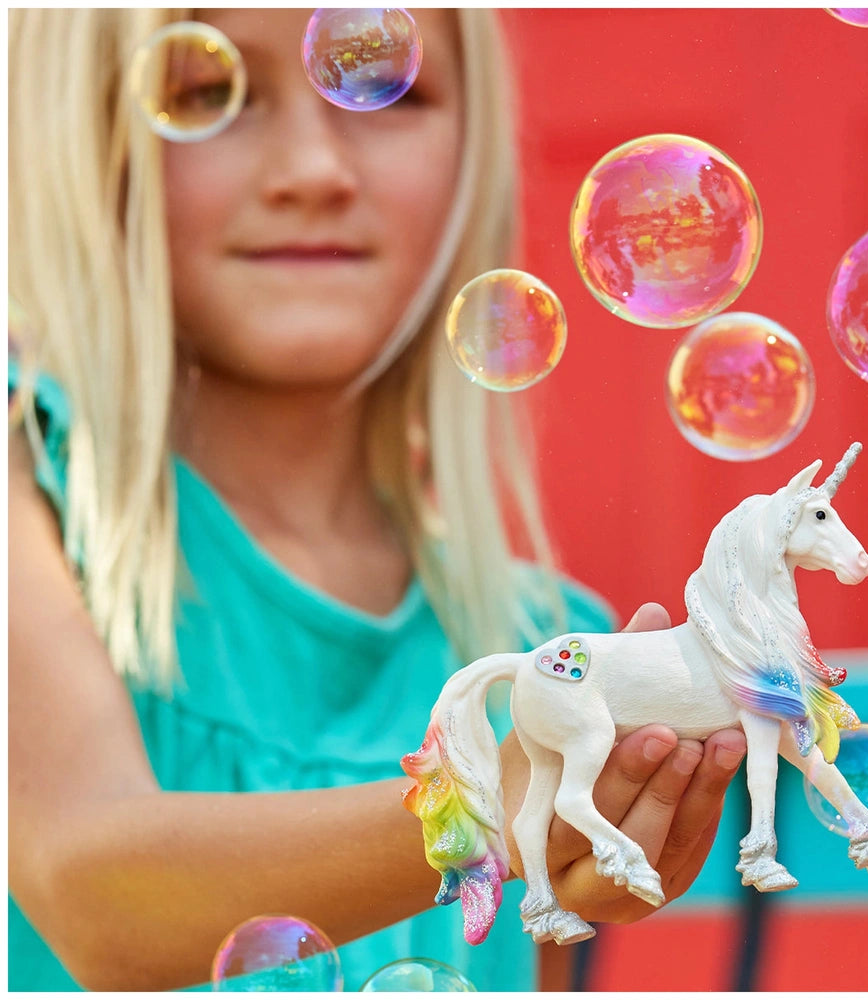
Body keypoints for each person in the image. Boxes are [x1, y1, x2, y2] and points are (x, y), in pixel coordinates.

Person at [7, 8, 747, 992]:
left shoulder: (530, 642)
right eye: (206, 94)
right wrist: (491, 800)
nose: (313, 168)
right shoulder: (30, 490)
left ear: (469, 146)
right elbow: (93, 892)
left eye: (378, 87)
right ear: (82, 134)